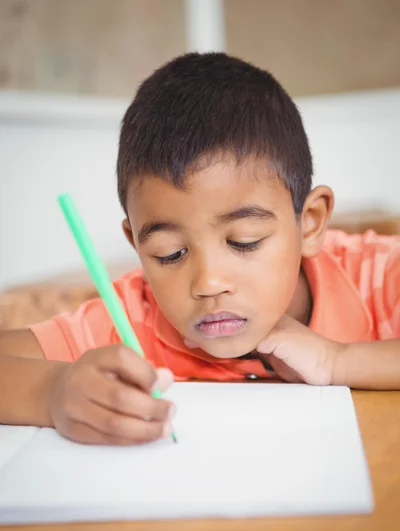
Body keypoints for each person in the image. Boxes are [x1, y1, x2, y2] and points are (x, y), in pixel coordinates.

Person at [1, 53, 399, 445]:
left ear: (310, 222)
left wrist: (337, 361)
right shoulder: (135, 319)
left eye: (244, 241)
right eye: (169, 253)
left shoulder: (378, 276)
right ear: (137, 246)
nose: (208, 282)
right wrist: (50, 393)